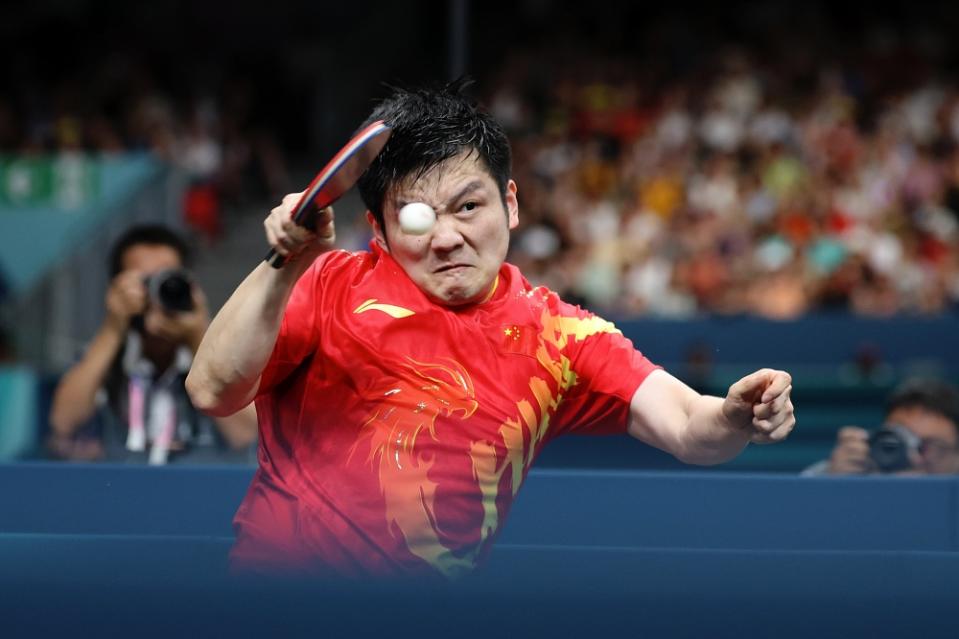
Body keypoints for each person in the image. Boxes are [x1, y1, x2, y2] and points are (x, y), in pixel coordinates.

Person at [186, 81, 796, 580]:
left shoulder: (561, 336)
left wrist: (734, 416)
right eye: (418, 217)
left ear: (510, 203)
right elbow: (212, 391)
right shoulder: (328, 284)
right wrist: (283, 265)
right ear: (379, 228)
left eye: (468, 206)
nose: (448, 236)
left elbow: (691, 428)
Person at [49, 225, 258, 464]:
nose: (155, 292)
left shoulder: (215, 358)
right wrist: (112, 327)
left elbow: (247, 435)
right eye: (144, 282)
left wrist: (199, 336)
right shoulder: (100, 356)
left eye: (167, 279)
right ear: (116, 288)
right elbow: (63, 424)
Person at [803, 378, 959, 476]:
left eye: (929, 446)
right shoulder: (856, 472)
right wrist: (833, 484)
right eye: (901, 440)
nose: (914, 458)